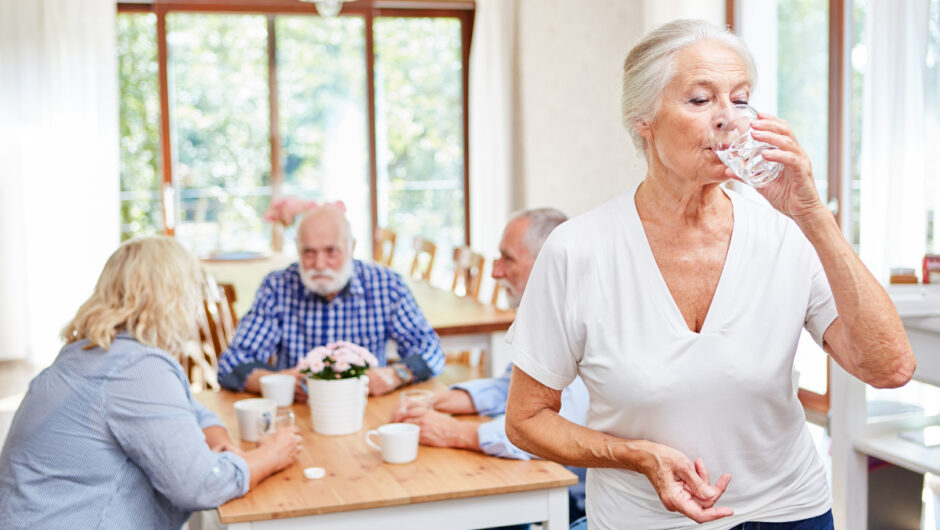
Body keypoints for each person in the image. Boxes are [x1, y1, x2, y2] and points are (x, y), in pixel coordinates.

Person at [503, 19, 916, 530]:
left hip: (792, 514)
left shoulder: (786, 233)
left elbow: (889, 368)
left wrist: (813, 215)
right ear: (643, 119)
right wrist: (634, 455)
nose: (729, 119)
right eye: (700, 100)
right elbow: (525, 419)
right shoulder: (578, 250)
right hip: (643, 522)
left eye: (740, 100)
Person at [0, 237, 302, 529]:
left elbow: (189, 409)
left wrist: (220, 441)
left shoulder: (88, 353)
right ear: (174, 297)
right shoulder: (138, 368)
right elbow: (201, 485)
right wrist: (272, 454)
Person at [392, 208, 590, 524]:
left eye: (507, 259)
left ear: (548, 264)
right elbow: (511, 387)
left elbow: (553, 427)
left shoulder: (584, 323)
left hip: (582, 504)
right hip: (551, 484)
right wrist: (444, 400)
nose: (495, 272)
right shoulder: (546, 315)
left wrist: (456, 433)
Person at [218, 203, 446, 398]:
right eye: (309, 252)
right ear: (297, 250)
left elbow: (430, 348)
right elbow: (233, 362)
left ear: (351, 247)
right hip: (300, 411)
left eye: (331, 251)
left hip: (367, 405)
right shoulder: (278, 287)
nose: (319, 264)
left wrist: (396, 374)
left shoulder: (386, 284)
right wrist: (277, 382)